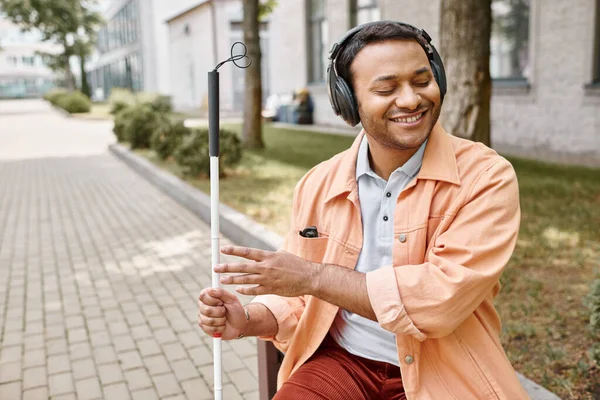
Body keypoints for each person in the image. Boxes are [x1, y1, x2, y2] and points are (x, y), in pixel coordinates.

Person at [197, 21, 529, 400]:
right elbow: (297, 296)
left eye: (422, 81)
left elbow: (439, 301)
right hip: (342, 362)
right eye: (386, 89)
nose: (410, 100)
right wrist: (248, 319)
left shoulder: (487, 177)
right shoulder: (317, 183)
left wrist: (314, 276)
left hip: (444, 370)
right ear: (348, 102)